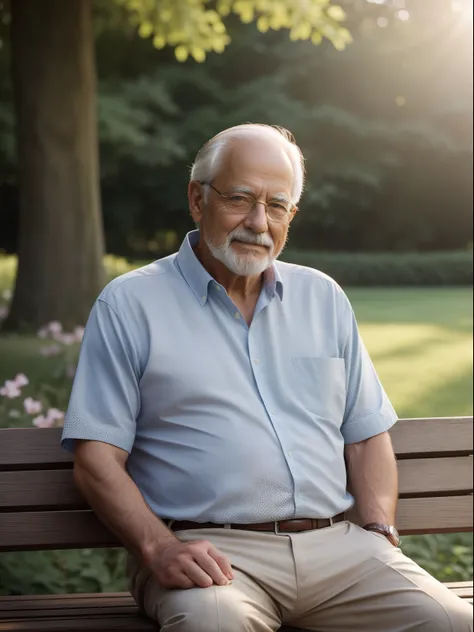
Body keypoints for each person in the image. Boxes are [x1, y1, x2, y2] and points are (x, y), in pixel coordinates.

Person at [61, 124, 473, 632]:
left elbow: (366, 436)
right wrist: (158, 546)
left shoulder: (323, 299)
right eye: (240, 198)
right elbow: (96, 458)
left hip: (340, 551)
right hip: (212, 554)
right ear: (197, 199)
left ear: (290, 216)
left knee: (452, 623)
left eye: (277, 205)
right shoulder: (130, 304)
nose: (258, 222)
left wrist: (377, 529)